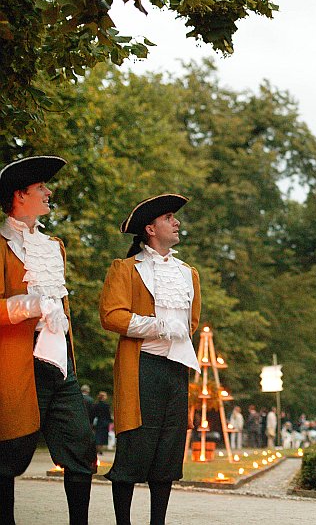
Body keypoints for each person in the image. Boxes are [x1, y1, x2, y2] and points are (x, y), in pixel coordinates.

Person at [0, 155, 97, 524]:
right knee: (7, 454)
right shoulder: (0, 244)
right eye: (42, 187)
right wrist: (30, 305)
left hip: (60, 363)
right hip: (17, 365)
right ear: (20, 195)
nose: (49, 191)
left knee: (81, 450)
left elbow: (61, 304)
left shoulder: (54, 246)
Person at [99, 193, 201, 524]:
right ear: (150, 229)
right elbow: (112, 316)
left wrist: (174, 330)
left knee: (169, 452)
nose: (176, 222)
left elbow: (192, 322)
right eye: (169, 217)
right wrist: (157, 325)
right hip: (141, 367)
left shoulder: (189, 274)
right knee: (133, 450)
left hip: (176, 371)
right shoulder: (125, 269)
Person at [92, 392, 113, 457]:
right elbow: (108, 415)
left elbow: (93, 414)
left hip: (98, 422)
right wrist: (110, 421)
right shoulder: (106, 406)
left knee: (98, 435)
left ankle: (97, 449)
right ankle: (100, 450)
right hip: (105, 423)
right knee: (103, 437)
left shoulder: (96, 405)